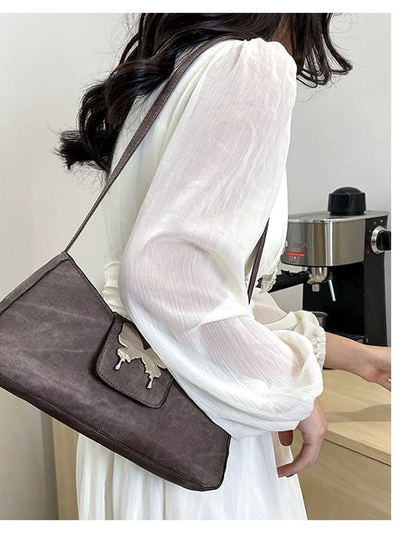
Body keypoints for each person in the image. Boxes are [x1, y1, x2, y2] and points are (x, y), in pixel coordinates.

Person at [56, 13, 391, 520]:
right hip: (194, 423)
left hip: (133, 403)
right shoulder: (249, 66)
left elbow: (213, 293)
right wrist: (291, 393)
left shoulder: (168, 74)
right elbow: (169, 281)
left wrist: (351, 356)